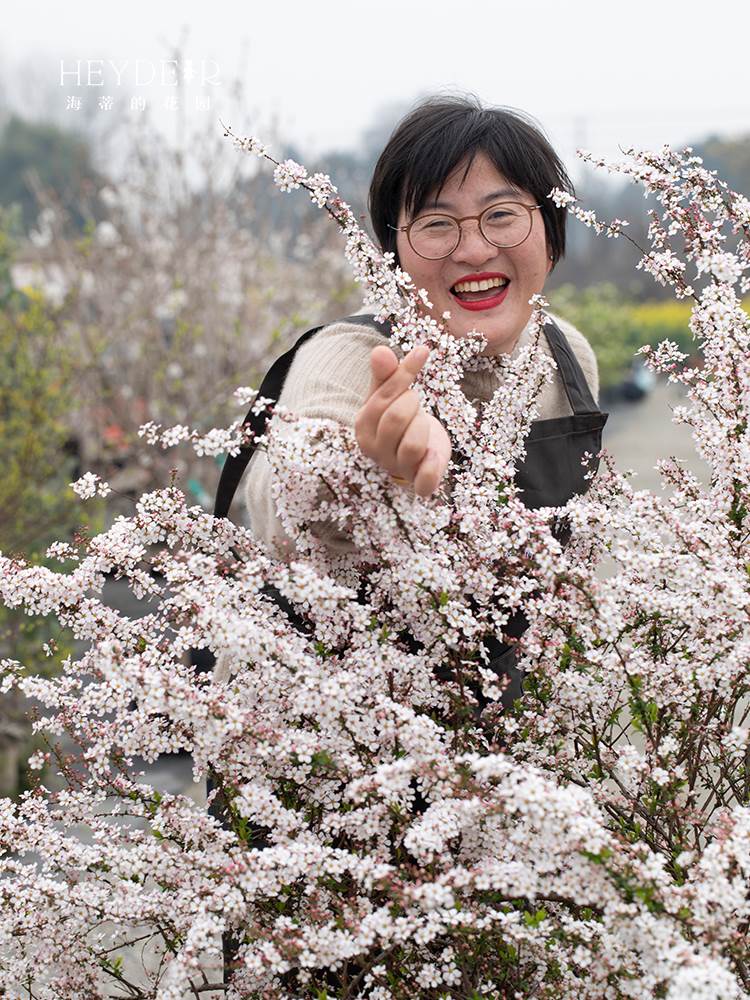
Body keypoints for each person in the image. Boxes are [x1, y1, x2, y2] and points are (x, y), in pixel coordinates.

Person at [216, 93, 605, 569]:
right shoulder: (352, 355)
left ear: (551, 233)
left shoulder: (568, 355)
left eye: (501, 214)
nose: (475, 250)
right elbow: (282, 485)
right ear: (392, 255)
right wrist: (365, 467)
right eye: (437, 223)